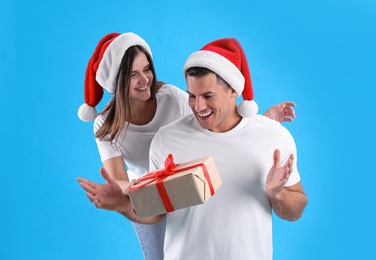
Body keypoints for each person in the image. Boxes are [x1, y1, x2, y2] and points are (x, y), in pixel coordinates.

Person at [77, 33, 302, 259]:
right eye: (133, 75)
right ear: (117, 82)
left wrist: (260, 126)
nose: (144, 80)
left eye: (147, 69)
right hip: (142, 187)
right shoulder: (114, 127)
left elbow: (218, 128)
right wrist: (125, 202)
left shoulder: (172, 98)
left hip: (177, 179)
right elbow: (125, 186)